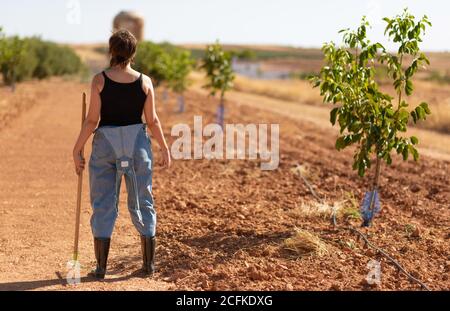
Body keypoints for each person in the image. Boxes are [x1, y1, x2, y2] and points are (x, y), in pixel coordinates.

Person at [72, 29, 171, 279]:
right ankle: (148, 265)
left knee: (104, 202)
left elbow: (92, 120)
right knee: (143, 200)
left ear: (111, 51)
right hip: (137, 145)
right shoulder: (145, 82)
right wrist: (164, 147)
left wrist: (77, 148)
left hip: (106, 144)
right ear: (133, 53)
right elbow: (153, 121)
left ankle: (101, 268)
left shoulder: (99, 80)